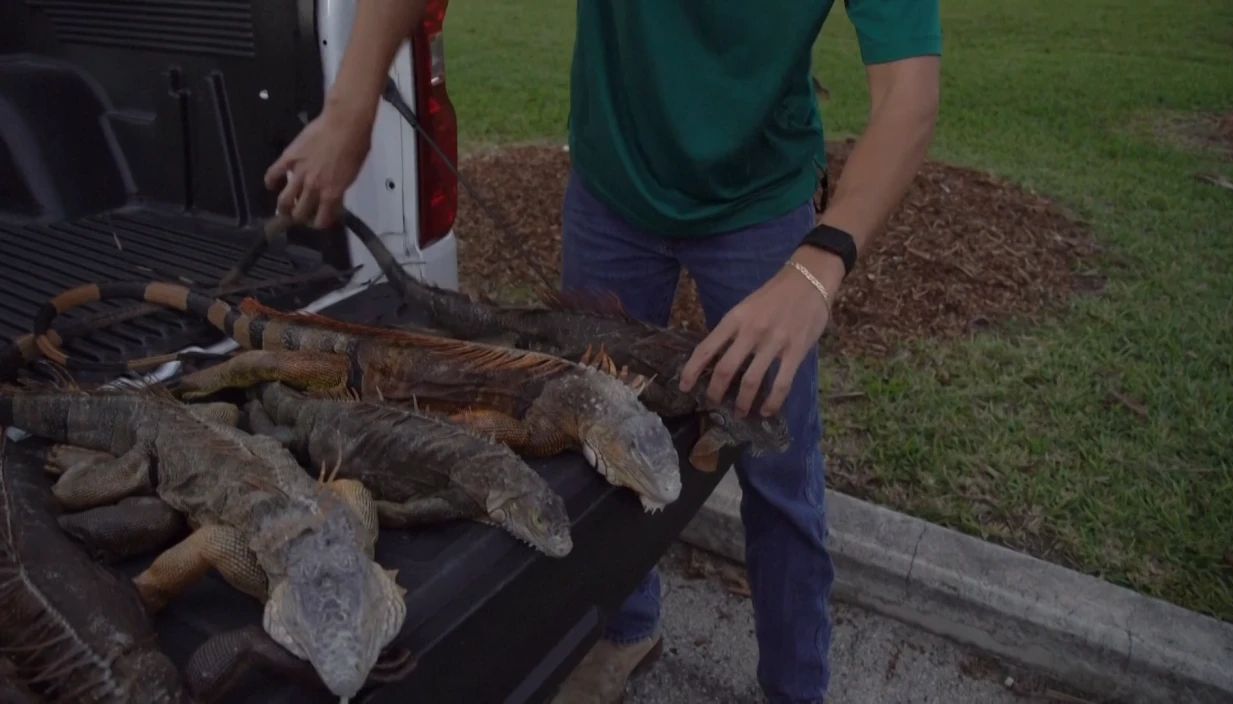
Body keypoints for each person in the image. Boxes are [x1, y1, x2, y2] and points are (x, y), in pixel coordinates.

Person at [265, 2, 942, 702]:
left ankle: (796, 687)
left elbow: (910, 93)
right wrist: (350, 108)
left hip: (762, 204)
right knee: (591, 440)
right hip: (613, 193)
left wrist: (817, 269)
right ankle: (624, 632)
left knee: (778, 468)